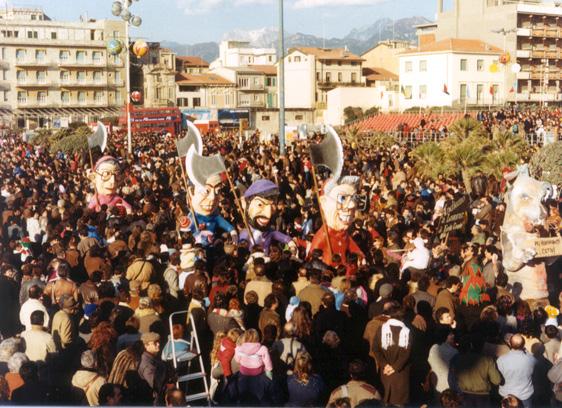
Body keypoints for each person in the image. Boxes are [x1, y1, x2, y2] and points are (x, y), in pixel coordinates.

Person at [372, 304, 412, 406]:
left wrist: (385, 365)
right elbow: (406, 354)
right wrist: (394, 368)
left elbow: (375, 349)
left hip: (384, 374)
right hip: (400, 376)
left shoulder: (381, 329)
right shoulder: (407, 332)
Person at [497, 334, 536, 408]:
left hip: (507, 394)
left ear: (510, 344)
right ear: (524, 344)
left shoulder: (501, 360)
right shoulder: (531, 360)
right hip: (524, 394)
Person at [138, 332, 170, 404]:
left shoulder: (154, 358)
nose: (158, 344)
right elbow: (157, 385)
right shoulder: (147, 364)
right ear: (146, 345)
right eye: (155, 342)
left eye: (158, 342)